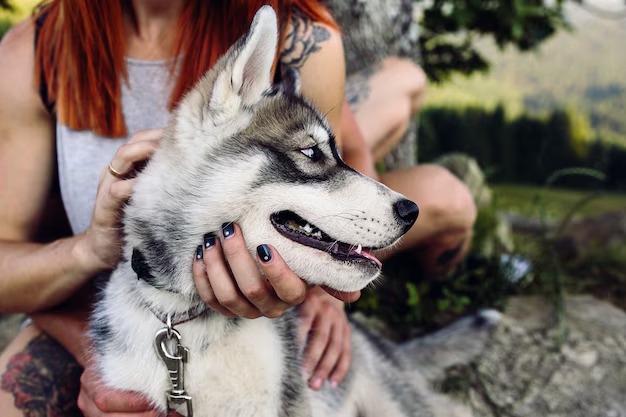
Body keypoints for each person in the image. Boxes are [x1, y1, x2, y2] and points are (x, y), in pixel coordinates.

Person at [0, 1, 476, 416]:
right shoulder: (36, 51)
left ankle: (440, 281)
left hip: (266, 283)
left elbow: (343, 161)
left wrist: (325, 291)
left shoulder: (301, 33)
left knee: (444, 195)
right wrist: (90, 259)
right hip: (102, 295)